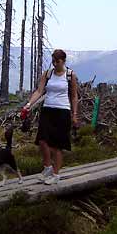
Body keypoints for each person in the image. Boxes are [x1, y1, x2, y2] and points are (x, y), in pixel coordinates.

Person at [23, 49, 79, 185]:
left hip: (62, 111)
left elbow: (74, 95)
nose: (55, 64)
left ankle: (56, 174)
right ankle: (47, 167)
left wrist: (74, 114)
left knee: (57, 145)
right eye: (53, 61)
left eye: (57, 61)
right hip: (47, 110)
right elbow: (39, 91)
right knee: (42, 140)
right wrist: (29, 104)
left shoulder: (70, 75)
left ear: (63, 61)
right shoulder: (47, 74)